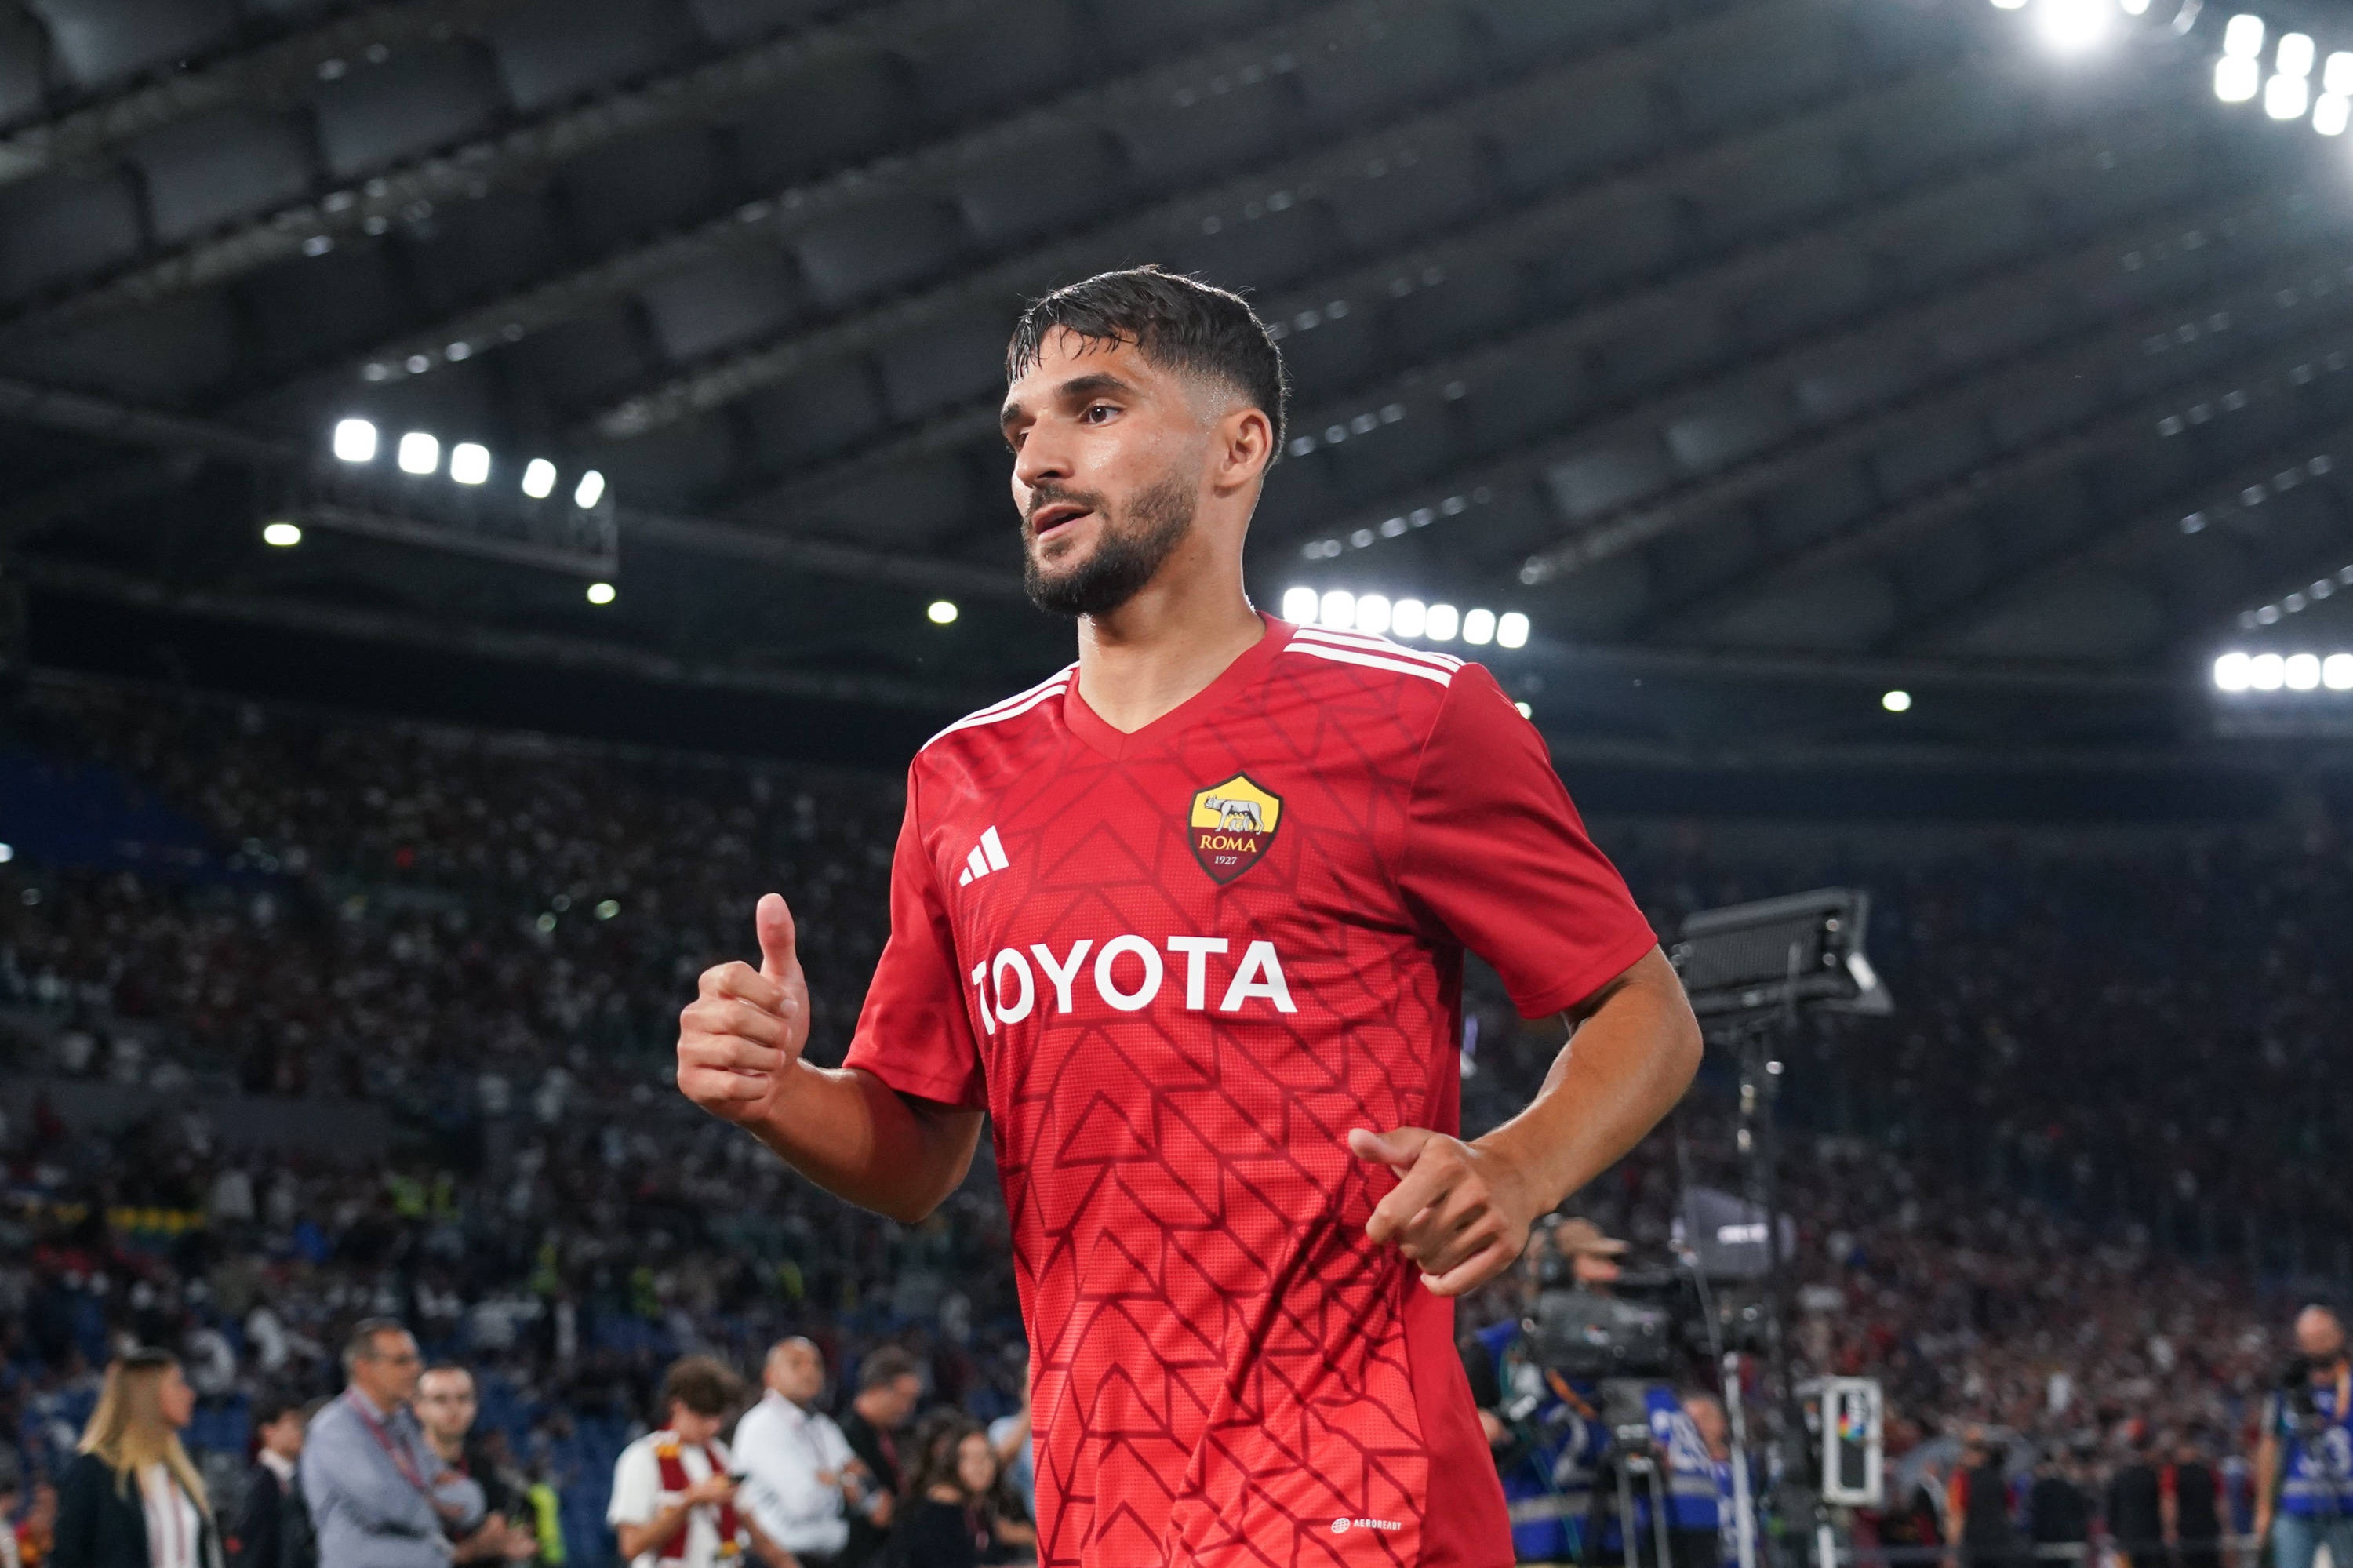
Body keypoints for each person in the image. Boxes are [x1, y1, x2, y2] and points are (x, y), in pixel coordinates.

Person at [677, 264, 1702, 1567]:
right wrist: (778, 1088)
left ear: (1238, 447)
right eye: (1021, 429)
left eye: (1095, 409)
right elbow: (918, 1151)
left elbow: (1646, 1008)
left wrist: (1519, 1164)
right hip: (1100, 1508)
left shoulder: (1414, 719)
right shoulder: (962, 777)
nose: (1036, 459)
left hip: (1361, 1502)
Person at [302, 1319, 486, 1568]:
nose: (416, 1369)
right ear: (364, 1368)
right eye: (401, 1361)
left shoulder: (402, 1425)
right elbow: (390, 1506)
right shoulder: (335, 1429)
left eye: (416, 1359)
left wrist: (428, 1497)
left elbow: (468, 1498)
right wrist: (432, 1500)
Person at [606, 1356, 784, 1568]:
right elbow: (631, 1546)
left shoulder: (720, 1454)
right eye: (703, 1416)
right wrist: (690, 1501)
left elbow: (756, 1533)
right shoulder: (642, 1458)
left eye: (718, 1417)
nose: (713, 1427)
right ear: (678, 1406)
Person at [54, 1348, 223, 1568]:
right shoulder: (94, 1473)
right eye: (177, 1384)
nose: (189, 1394)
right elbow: (67, 1558)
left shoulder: (181, 1474)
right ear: (147, 1394)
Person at [733, 1339, 860, 1568]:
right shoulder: (761, 1425)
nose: (809, 1371)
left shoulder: (822, 1425)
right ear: (770, 1376)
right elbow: (804, 1503)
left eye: (817, 1364)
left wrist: (830, 1479)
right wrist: (841, 1480)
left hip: (828, 1557)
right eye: (797, 1364)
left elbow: (860, 1481)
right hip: (775, 1559)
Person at [2257, 1306, 2353, 1568]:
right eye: (2310, 1339)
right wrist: (2263, 1508)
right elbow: (2268, 1446)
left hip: (2348, 1506)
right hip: (2296, 1507)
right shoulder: (2287, 1387)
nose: (2318, 1346)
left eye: (2323, 1337)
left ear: (2339, 1335)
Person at [414, 1366, 534, 1563]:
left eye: (463, 1399)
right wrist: (471, 1550)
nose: (454, 1409)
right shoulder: (398, 1470)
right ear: (418, 1407)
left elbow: (498, 1537)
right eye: (440, 1399)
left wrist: (507, 1545)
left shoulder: (486, 1469)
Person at [835, 1350, 919, 1568]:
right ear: (877, 1390)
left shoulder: (895, 1435)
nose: (908, 1408)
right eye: (904, 1398)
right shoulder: (843, 1438)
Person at [882, 1418, 1002, 1568]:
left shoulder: (978, 1507)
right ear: (952, 1462)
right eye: (970, 1458)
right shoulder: (939, 1509)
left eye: (986, 1457)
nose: (980, 1467)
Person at [227, 1395, 314, 1568]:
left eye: (301, 1424)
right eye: (293, 1424)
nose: (300, 1431)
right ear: (268, 1431)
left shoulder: (297, 1480)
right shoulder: (257, 1486)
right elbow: (250, 1551)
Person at [2163, 1432, 2227, 1568]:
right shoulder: (2210, 1472)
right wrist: (2225, 1527)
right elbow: (2220, 1502)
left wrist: (2170, 1528)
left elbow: (2170, 1501)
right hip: (2209, 1528)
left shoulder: (2173, 1473)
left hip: (2186, 1531)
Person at [2021, 1447, 2089, 1568]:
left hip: (2044, 1545)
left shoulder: (2038, 1489)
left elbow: (2032, 1515)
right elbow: (2082, 1514)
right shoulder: (2073, 1489)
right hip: (2070, 1544)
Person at [2108, 1436, 2165, 1568]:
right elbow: (2160, 1505)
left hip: (2126, 1535)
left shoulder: (2119, 1478)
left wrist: (2114, 1531)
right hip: (2151, 1535)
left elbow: (2112, 1508)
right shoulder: (2152, 1477)